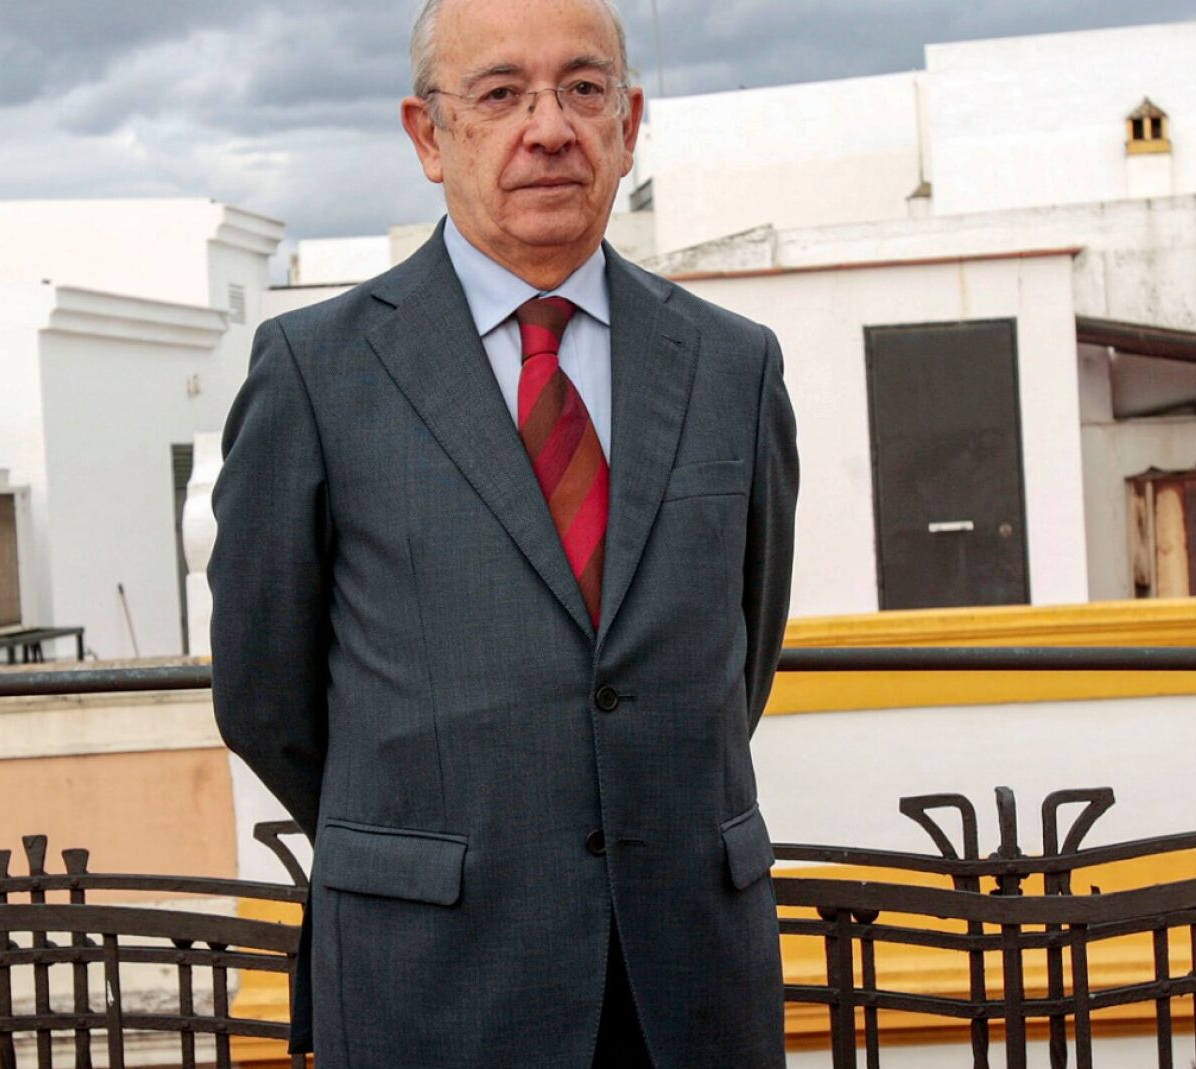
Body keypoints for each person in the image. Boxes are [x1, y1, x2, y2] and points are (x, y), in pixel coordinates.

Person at [209, 0, 797, 1063]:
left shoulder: (733, 365)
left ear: (629, 122)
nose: (550, 128)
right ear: (428, 135)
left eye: (584, 89)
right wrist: (430, 834)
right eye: (499, 94)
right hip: (432, 980)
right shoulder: (315, 373)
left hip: (688, 983)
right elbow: (263, 694)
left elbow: (742, 656)